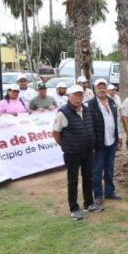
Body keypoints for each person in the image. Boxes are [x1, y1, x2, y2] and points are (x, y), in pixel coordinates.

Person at [51, 85, 99, 220]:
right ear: (69, 97)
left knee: (88, 177)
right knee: (72, 180)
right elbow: (56, 133)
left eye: (80, 95)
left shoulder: (86, 110)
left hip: (87, 150)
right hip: (72, 153)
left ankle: (88, 203)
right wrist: (65, 145)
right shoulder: (63, 112)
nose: (78, 98)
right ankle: (74, 208)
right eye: (75, 95)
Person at [86, 79, 121, 205]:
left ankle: (110, 192)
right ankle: (98, 195)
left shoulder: (112, 102)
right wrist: (91, 143)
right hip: (98, 144)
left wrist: (119, 137)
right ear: (94, 89)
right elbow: (87, 126)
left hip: (111, 141)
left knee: (110, 168)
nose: (101, 89)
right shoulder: (89, 105)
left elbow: (116, 120)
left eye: (103, 87)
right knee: (97, 170)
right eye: (99, 87)